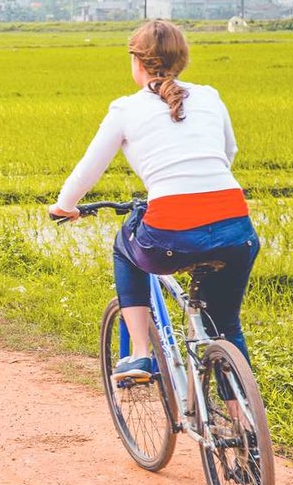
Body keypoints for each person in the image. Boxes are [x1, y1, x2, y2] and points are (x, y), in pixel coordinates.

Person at [48, 20, 260, 382]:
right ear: (182, 60)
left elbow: (88, 171)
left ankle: (140, 354)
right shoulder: (209, 96)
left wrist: (63, 206)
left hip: (171, 233)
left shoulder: (125, 109)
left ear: (137, 62)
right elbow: (229, 152)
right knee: (225, 325)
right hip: (236, 228)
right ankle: (248, 429)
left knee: (124, 247)